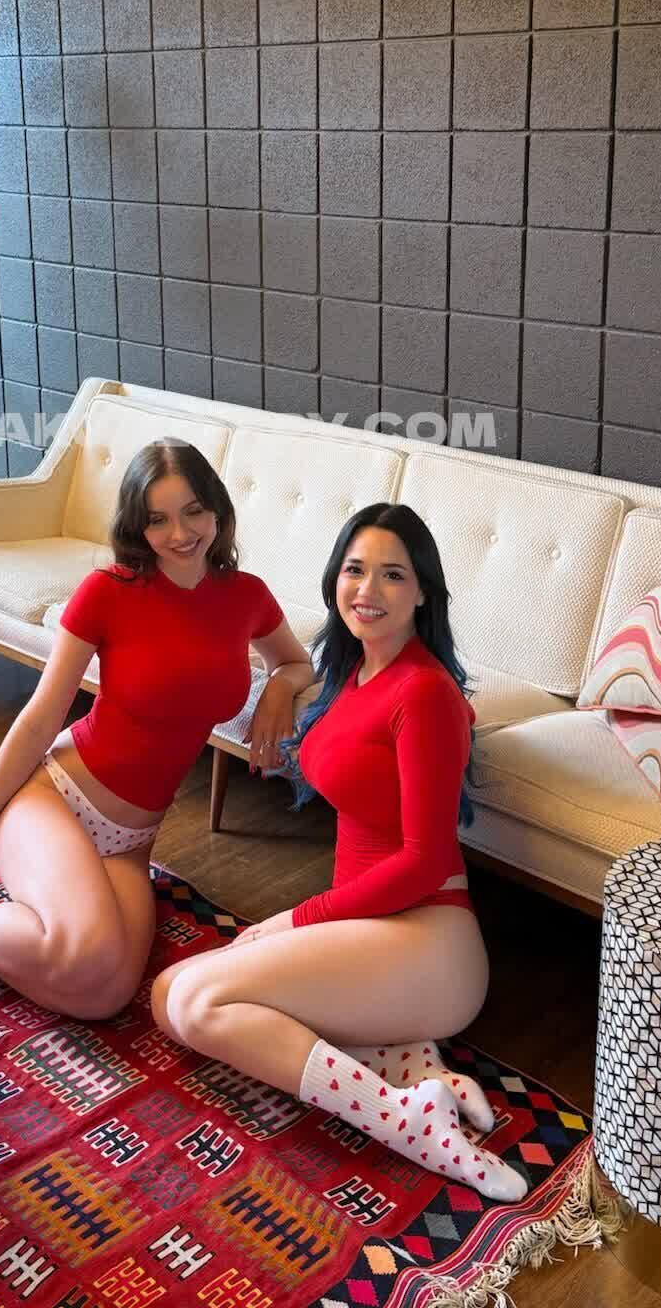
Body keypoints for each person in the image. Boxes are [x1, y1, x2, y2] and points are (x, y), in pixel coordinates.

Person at [152, 503, 527, 1201]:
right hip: (372, 930)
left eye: (393, 575)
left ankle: (403, 1119)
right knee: (168, 995)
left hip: (430, 939)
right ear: (335, 579)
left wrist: (297, 919)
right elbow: (302, 676)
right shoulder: (351, 671)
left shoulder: (425, 694)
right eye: (355, 570)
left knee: (200, 1006)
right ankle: (411, 1066)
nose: (368, 590)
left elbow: (423, 861)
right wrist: (284, 682)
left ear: (423, 593)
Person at [0, 438, 312, 1020]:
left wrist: (278, 688)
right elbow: (40, 717)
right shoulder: (108, 592)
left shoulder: (246, 595)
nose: (180, 533)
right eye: (158, 519)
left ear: (217, 509)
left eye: (193, 511)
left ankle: (20, 928)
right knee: (82, 954)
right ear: (137, 525)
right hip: (55, 800)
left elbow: (295, 662)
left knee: (105, 994)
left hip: (132, 843)